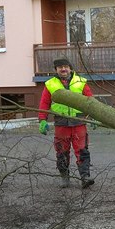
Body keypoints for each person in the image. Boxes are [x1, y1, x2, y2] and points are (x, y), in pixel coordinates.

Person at [38, 57, 95, 189]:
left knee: (82, 151)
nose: (63, 69)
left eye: (65, 66)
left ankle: (85, 177)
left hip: (79, 123)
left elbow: (90, 101)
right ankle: (65, 178)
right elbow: (44, 103)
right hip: (61, 124)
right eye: (60, 67)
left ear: (70, 68)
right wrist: (42, 120)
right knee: (62, 153)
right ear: (56, 70)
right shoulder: (50, 84)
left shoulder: (81, 82)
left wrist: (94, 116)